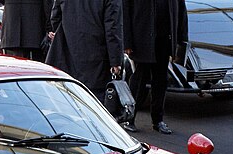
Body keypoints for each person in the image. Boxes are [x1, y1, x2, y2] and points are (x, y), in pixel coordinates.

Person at [122, 0, 188, 135]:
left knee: (160, 80)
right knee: (140, 79)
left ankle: (158, 121)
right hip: (142, 39)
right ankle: (129, 119)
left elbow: (181, 9)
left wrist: (181, 38)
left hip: (165, 39)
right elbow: (125, 11)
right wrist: (127, 41)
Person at [46, 0, 124, 101]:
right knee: (95, 104)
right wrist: (115, 61)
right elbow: (113, 28)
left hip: (69, 53)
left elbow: (55, 17)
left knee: (70, 101)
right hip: (97, 56)